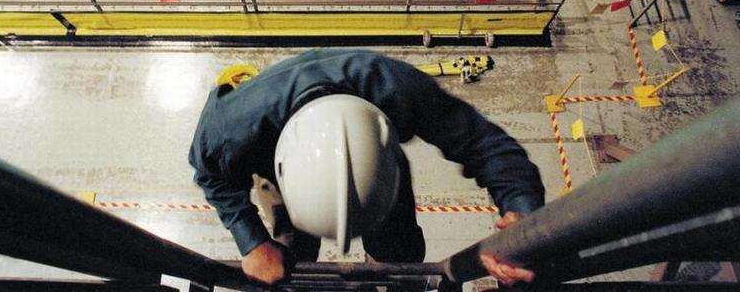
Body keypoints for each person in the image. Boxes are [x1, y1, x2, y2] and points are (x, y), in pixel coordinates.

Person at [188, 49, 545, 286]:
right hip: (278, 164)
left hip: (378, 177)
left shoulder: (398, 89)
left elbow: (487, 147)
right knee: (290, 250)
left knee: (399, 253)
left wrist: (523, 218)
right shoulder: (228, 131)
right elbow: (211, 177)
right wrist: (253, 242)